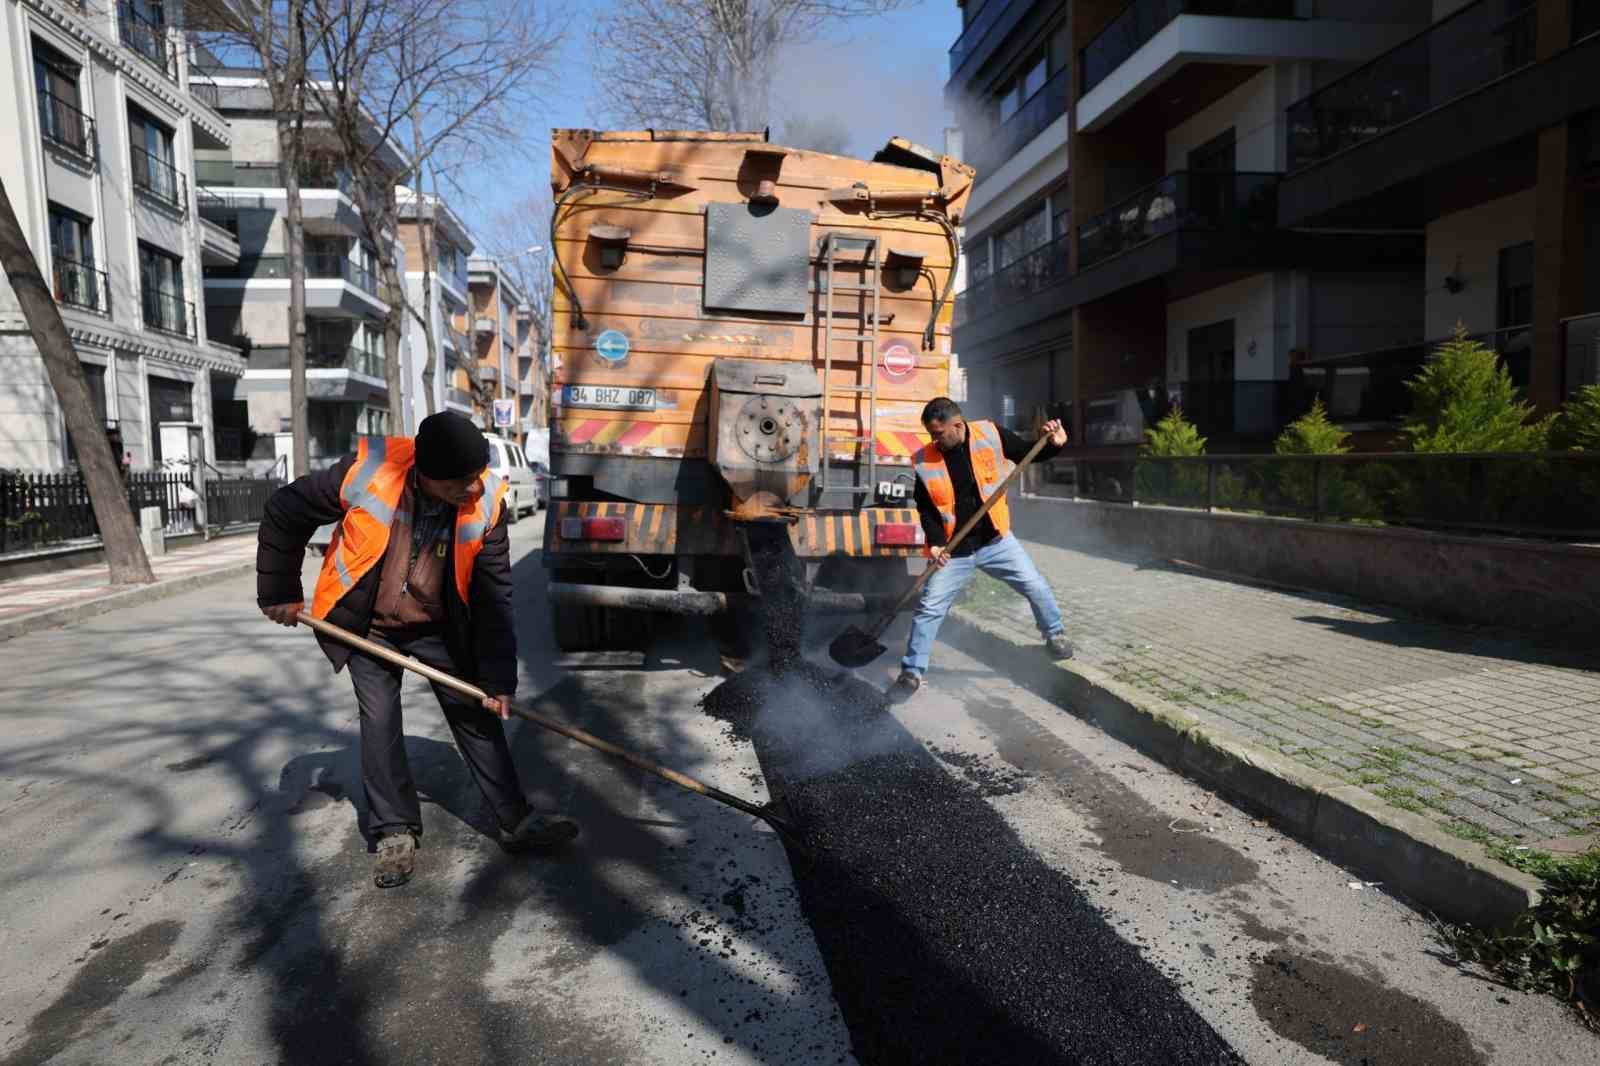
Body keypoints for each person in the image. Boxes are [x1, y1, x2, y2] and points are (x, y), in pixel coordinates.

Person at [257, 411, 577, 888]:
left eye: (476, 476)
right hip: (368, 626)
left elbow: (494, 595)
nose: (471, 488)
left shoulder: (487, 502)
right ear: (426, 473)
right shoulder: (370, 473)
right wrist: (279, 590)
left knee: (476, 711)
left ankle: (515, 819)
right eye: (459, 481)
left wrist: (496, 680)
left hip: (442, 625)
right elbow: (286, 510)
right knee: (380, 720)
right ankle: (394, 832)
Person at [888, 397, 1074, 705]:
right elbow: (927, 509)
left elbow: (1029, 453)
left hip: (996, 542)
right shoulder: (924, 460)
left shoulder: (991, 433)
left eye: (939, 434)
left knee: (1035, 584)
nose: (935, 440)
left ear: (957, 426)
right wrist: (933, 544)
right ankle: (911, 674)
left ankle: (1055, 635)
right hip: (954, 551)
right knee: (929, 609)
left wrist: (1053, 444)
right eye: (931, 435)